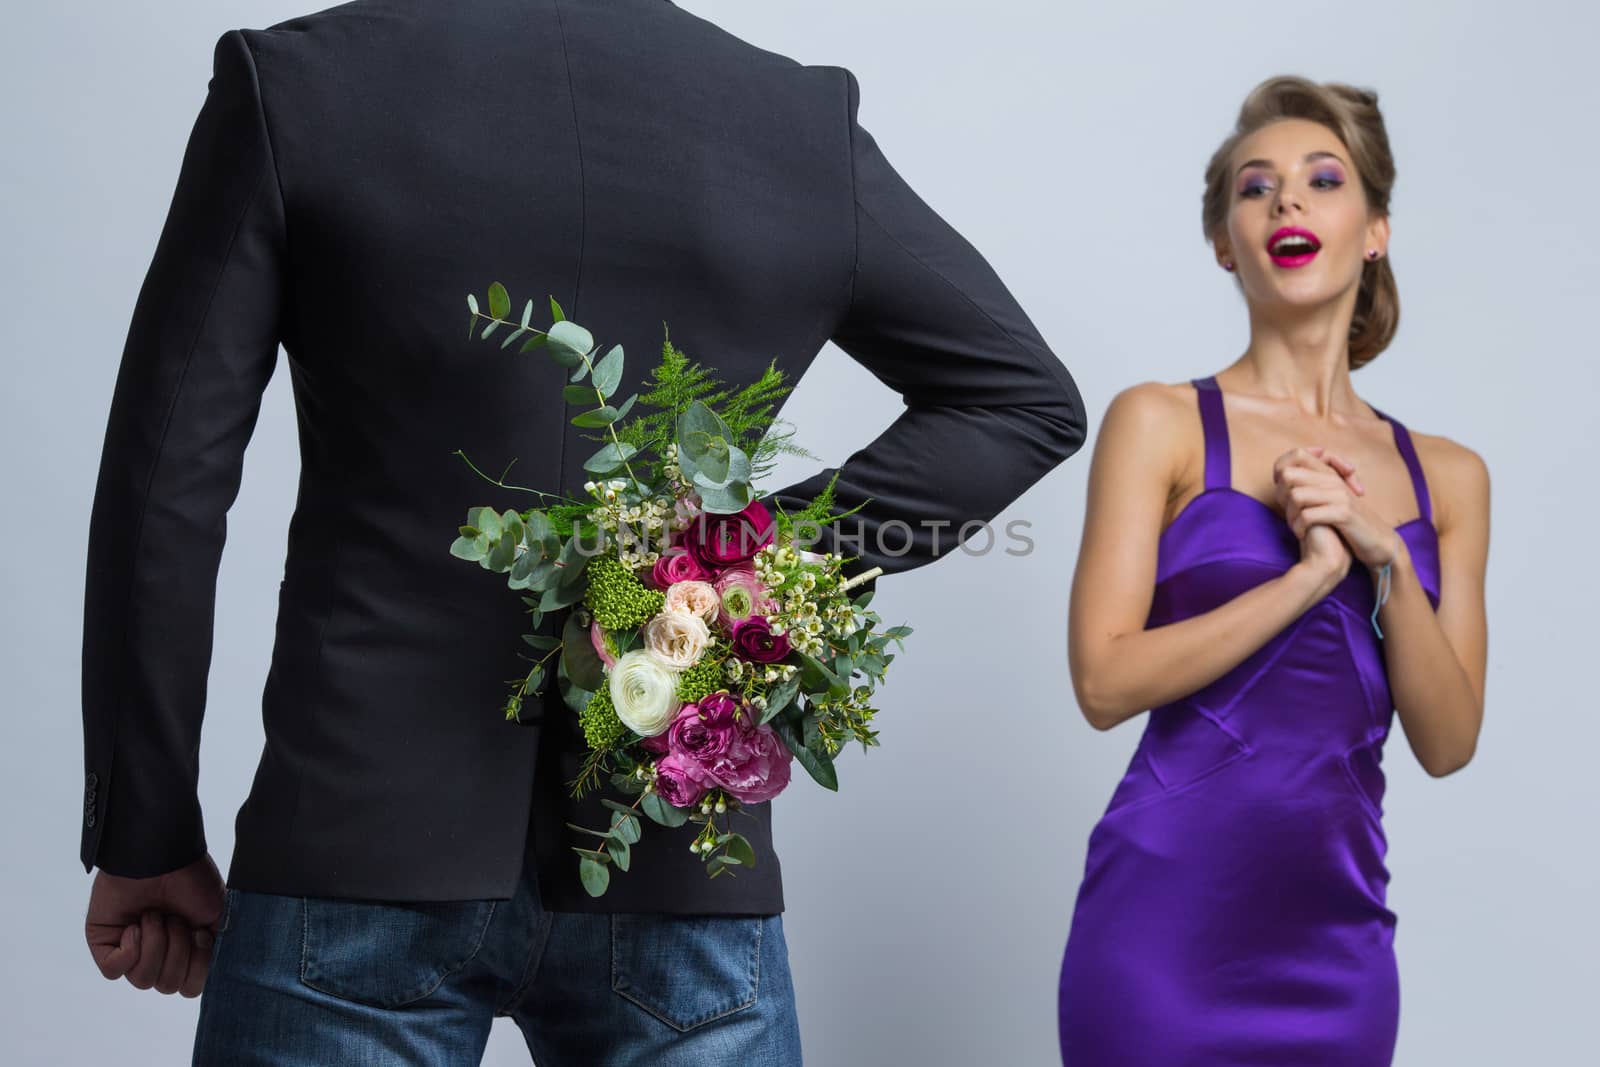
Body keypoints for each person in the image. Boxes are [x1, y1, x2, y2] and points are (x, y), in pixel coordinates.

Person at [78, 1, 1086, 1063]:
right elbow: (1020, 401)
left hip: (357, 838)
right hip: (673, 842)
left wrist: (145, 827)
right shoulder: (796, 117)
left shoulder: (298, 86)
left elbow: (166, 486)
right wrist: (726, 570)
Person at [1056, 75, 1489, 1065]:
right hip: (1160, 931)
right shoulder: (1158, 421)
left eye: (1321, 179)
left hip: (1336, 943)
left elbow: (1449, 736)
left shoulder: (1449, 476)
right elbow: (1101, 681)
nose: (1286, 201)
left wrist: (1381, 555)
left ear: (1374, 228)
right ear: (1224, 241)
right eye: (1255, 188)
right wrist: (1304, 576)